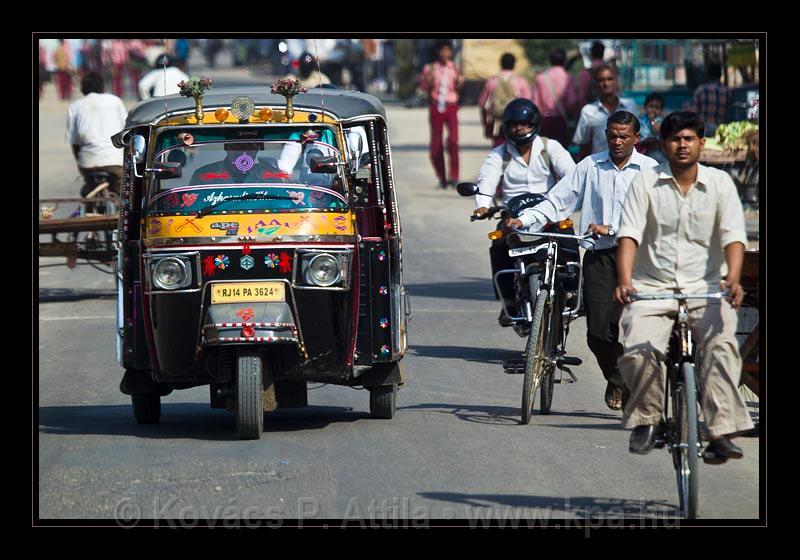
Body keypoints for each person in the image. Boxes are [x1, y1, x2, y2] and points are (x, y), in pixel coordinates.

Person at [613, 111, 754, 462]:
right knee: (636, 349)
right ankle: (648, 419)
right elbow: (629, 234)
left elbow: (733, 237)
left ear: (701, 143)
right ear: (664, 145)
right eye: (675, 139)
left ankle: (719, 432)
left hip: (705, 288)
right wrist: (625, 281)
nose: (682, 145)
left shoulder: (721, 184)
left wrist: (733, 278)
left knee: (722, 348)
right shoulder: (645, 183)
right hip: (652, 288)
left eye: (689, 138)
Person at [506, 111, 659, 410]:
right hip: (599, 257)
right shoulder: (590, 166)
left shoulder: (651, 171)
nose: (617, 142)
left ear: (636, 139)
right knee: (598, 333)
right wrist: (525, 220)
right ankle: (617, 380)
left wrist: (614, 228)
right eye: (612, 135)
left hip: (641, 258)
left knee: (630, 328)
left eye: (624, 137)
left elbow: (656, 218)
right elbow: (557, 201)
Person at [472, 98, 576, 325]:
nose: (520, 128)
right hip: (512, 217)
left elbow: (572, 175)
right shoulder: (499, 154)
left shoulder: (551, 148)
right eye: (514, 124)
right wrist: (483, 204)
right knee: (498, 245)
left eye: (525, 123)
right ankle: (507, 301)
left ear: (534, 124)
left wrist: (570, 199)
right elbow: (486, 181)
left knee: (570, 240)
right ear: (507, 127)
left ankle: (572, 292)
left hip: (548, 214)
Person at [65, 72, 128, 196]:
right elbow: (126, 131)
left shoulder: (75, 106)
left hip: (88, 163)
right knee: (123, 194)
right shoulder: (115, 101)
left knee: (89, 191)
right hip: (114, 161)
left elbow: (74, 142)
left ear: (82, 88)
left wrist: (80, 161)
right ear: (102, 87)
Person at [418, 39, 464, 189]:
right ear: (438, 52)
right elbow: (423, 87)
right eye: (442, 51)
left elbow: (458, 87)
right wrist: (427, 81)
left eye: (448, 51)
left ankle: (454, 176)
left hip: (451, 106)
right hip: (436, 106)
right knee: (436, 146)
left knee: (453, 141)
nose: (445, 54)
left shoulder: (455, 68)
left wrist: (461, 81)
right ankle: (442, 177)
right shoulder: (430, 68)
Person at [573, 65, 638, 161]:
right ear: (595, 84)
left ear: (615, 81)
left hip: (628, 165)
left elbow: (638, 138)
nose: (606, 83)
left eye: (610, 79)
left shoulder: (630, 106)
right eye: (601, 80)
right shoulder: (588, 111)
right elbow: (584, 146)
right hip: (600, 167)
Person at [477, 53, 532, 147]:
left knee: (498, 152)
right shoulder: (520, 81)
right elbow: (529, 105)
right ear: (514, 64)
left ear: (500, 64)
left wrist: (486, 126)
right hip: (517, 124)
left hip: (498, 124)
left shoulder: (492, 81)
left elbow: (482, 105)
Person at [532, 47, 580, 149]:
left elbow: (535, 102)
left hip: (544, 120)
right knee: (560, 151)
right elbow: (572, 102)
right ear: (564, 60)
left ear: (550, 60)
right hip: (561, 120)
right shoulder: (568, 78)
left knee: (544, 150)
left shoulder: (541, 77)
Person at [689, 62, 730, 137]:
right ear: (720, 75)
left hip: (704, 130)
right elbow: (730, 113)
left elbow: (693, 114)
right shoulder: (727, 91)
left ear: (708, 75)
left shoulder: (700, 91)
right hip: (721, 130)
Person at [637, 92, 668, 165]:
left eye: (657, 108)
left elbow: (656, 131)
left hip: (654, 148)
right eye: (651, 107)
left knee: (661, 161)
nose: (653, 110)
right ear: (645, 107)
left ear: (661, 110)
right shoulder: (641, 119)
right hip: (641, 147)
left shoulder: (659, 120)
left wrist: (652, 121)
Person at [577, 41, 607, 108]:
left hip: (591, 111)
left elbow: (581, 97)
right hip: (609, 110)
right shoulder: (611, 72)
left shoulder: (585, 73)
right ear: (603, 53)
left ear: (591, 54)